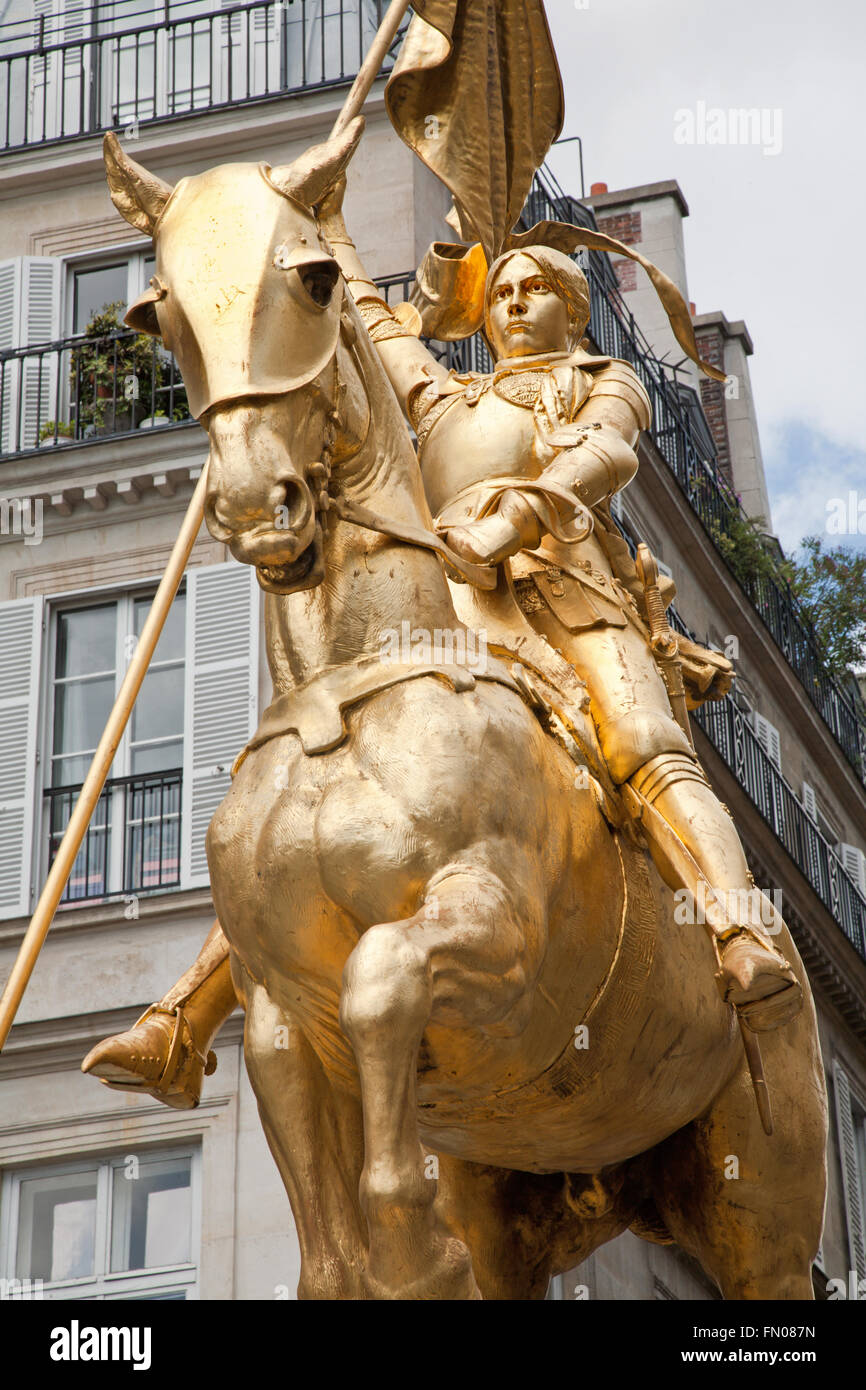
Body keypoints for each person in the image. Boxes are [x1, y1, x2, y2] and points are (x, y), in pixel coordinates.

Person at [83, 186, 801, 1108]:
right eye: (500, 290)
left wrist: (514, 515)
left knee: (643, 747)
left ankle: (737, 933)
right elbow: (378, 327)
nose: (510, 301)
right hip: (449, 604)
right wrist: (332, 226)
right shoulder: (451, 395)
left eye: (533, 287)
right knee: (312, 787)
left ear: (571, 309)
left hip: (565, 590)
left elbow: (605, 456)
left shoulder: (600, 380)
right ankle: (184, 1018)